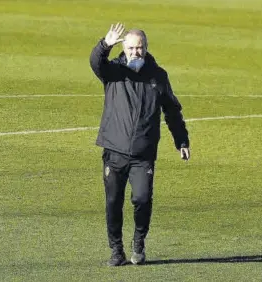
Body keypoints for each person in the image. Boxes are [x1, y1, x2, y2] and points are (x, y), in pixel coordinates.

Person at [90, 23, 190, 266]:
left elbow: (172, 111)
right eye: (131, 48)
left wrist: (182, 140)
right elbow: (96, 63)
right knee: (113, 202)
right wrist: (104, 45)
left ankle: (139, 243)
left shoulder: (158, 76)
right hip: (114, 150)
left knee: (142, 199)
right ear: (124, 48)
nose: (136, 52)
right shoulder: (113, 71)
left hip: (143, 153)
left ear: (146, 48)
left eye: (140, 48)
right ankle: (116, 250)